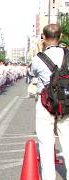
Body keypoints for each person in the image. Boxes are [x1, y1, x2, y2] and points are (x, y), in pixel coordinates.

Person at [31, 24, 69, 180]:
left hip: (45, 103)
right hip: (66, 102)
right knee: (67, 141)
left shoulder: (39, 58)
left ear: (43, 38)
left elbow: (33, 72)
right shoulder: (67, 54)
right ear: (60, 37)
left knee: (46, 144)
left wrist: (39, 50)